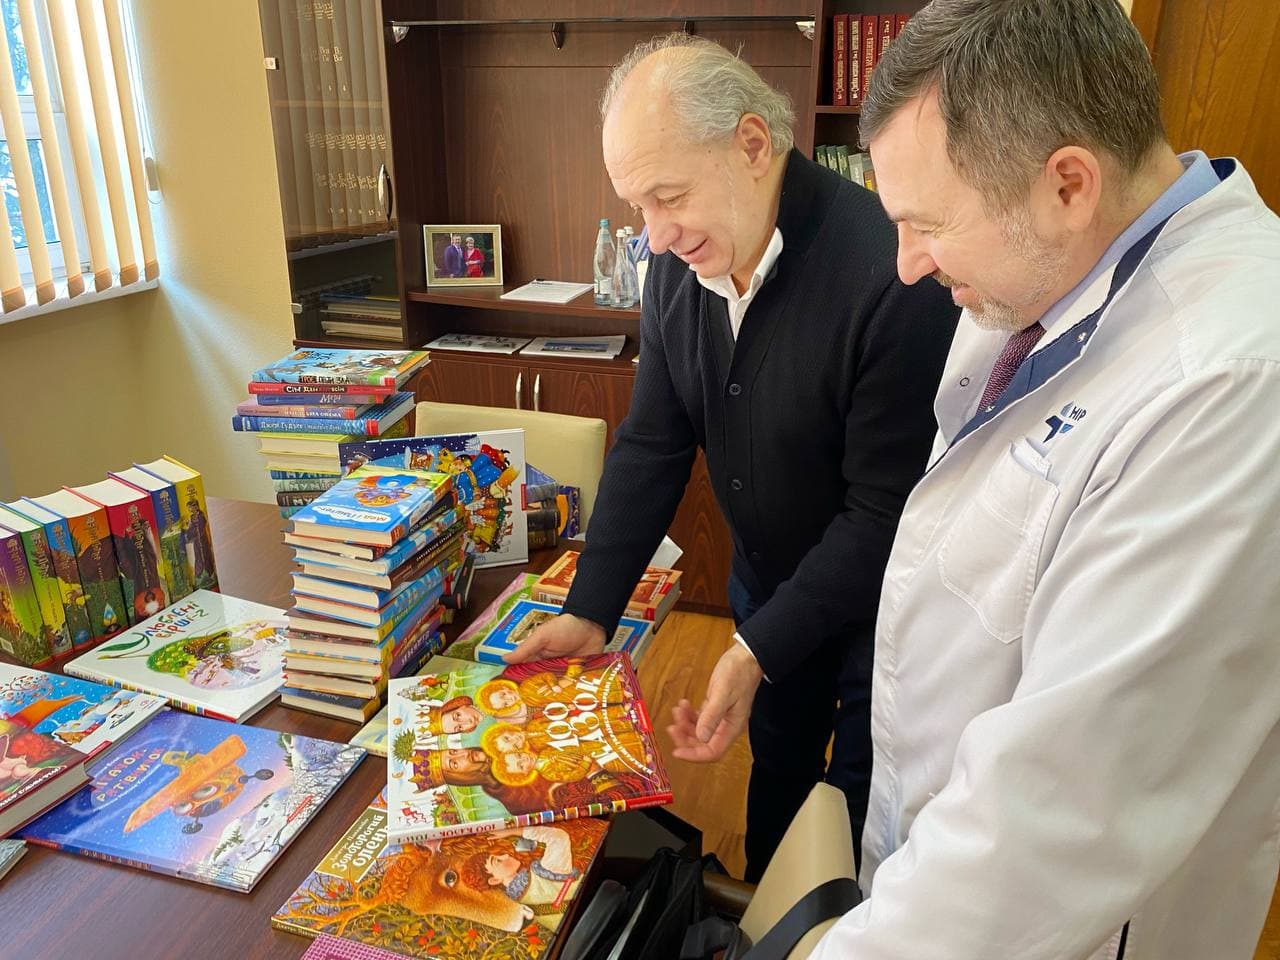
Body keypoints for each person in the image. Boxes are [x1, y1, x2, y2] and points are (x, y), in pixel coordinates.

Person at [810, 2, 1280, 958]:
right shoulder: (1042, 274)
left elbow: (1055, 818)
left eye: (927, 224)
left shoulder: (1230, 383)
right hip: (936, 876)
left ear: (1068, 184)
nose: (906, 266)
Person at [506, 34, 959, 881]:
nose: (655, 235)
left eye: (668, 196)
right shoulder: (678, 268)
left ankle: (831, 920)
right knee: (778, 762)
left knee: (860, 795)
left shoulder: (887, 272)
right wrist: (593, 609)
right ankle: (760, 904)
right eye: (637, 205)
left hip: (882, 604)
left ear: (753, 144)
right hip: (767, 576)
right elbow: (652, 443)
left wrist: (754, 650)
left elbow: (882, 513)